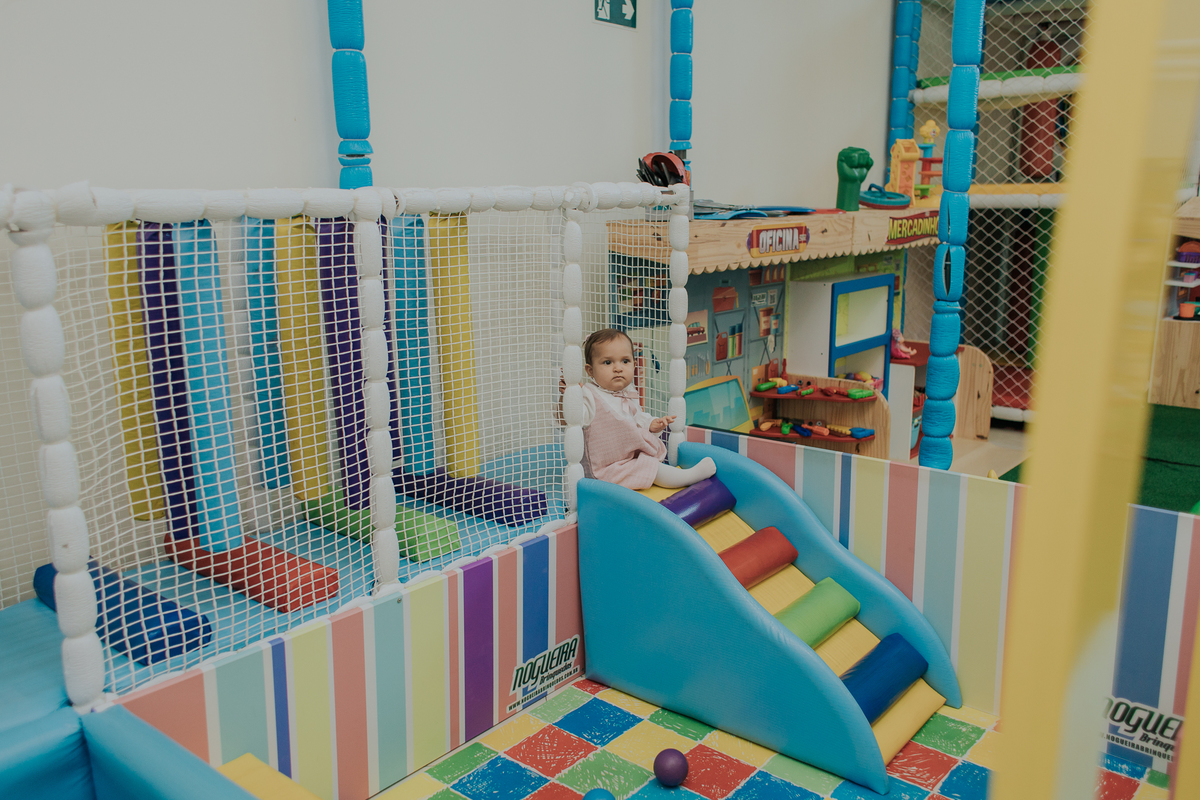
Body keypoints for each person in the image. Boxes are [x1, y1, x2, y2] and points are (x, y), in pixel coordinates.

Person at [559, 328, 715, 490]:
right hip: (605, 470)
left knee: (649, 462)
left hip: (628, 458)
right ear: (590, 370)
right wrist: (569, 397)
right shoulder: (588, 394)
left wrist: (651, 424)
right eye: (608, 362)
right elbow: (570, 419)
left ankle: (677, 475)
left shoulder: (628, 391)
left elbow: (636, 417)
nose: (618, 368)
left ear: (634, 364)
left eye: (625, 361)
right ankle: (687, 477)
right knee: (652, 467)